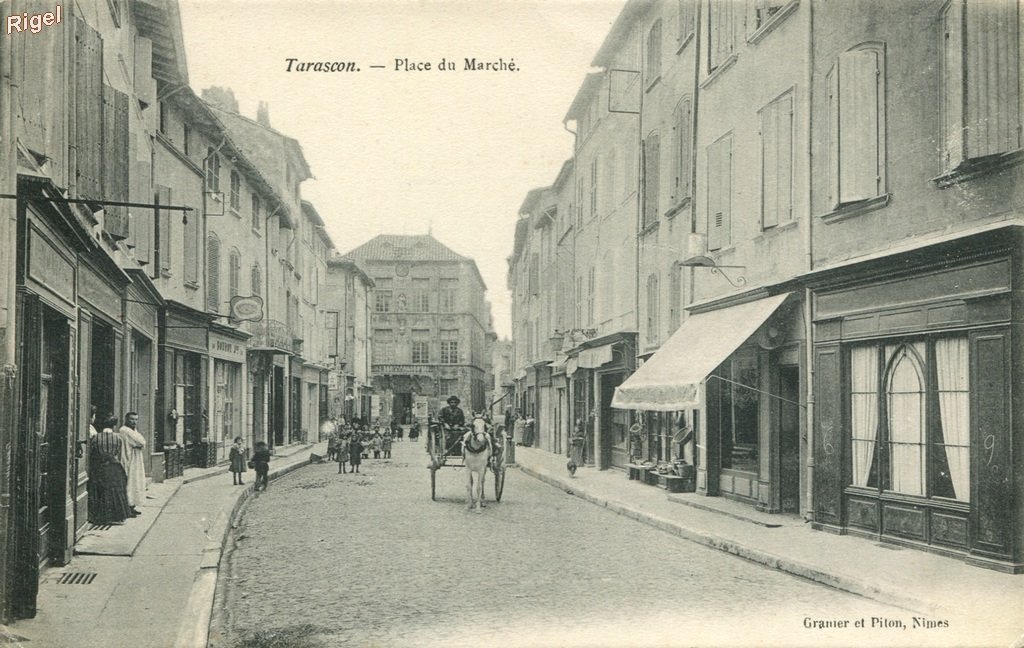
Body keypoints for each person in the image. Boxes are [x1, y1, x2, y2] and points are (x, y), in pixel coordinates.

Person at [88, 414, 132, 525]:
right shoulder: (118, 438)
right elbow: (119, 453)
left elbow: (92, 452)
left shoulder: (96, 437)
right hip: (114, 466)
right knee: (115, 490)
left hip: (100, 466)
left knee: (101, 491)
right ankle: (116, 516)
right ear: (114, 426)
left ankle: (101, 516)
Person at [118, 412, 147, 516]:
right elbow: (141, 441)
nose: (134, 422)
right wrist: (138, 445)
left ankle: (132, 506)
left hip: (135, 459)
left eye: (136, 419)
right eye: (132, 419)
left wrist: (138, 444)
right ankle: (128, 507)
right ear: (126, 419)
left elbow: (141, 442)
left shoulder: (132, 430)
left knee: (135, 482)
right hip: (129, 459)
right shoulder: (125, 430)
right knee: (130, 482)